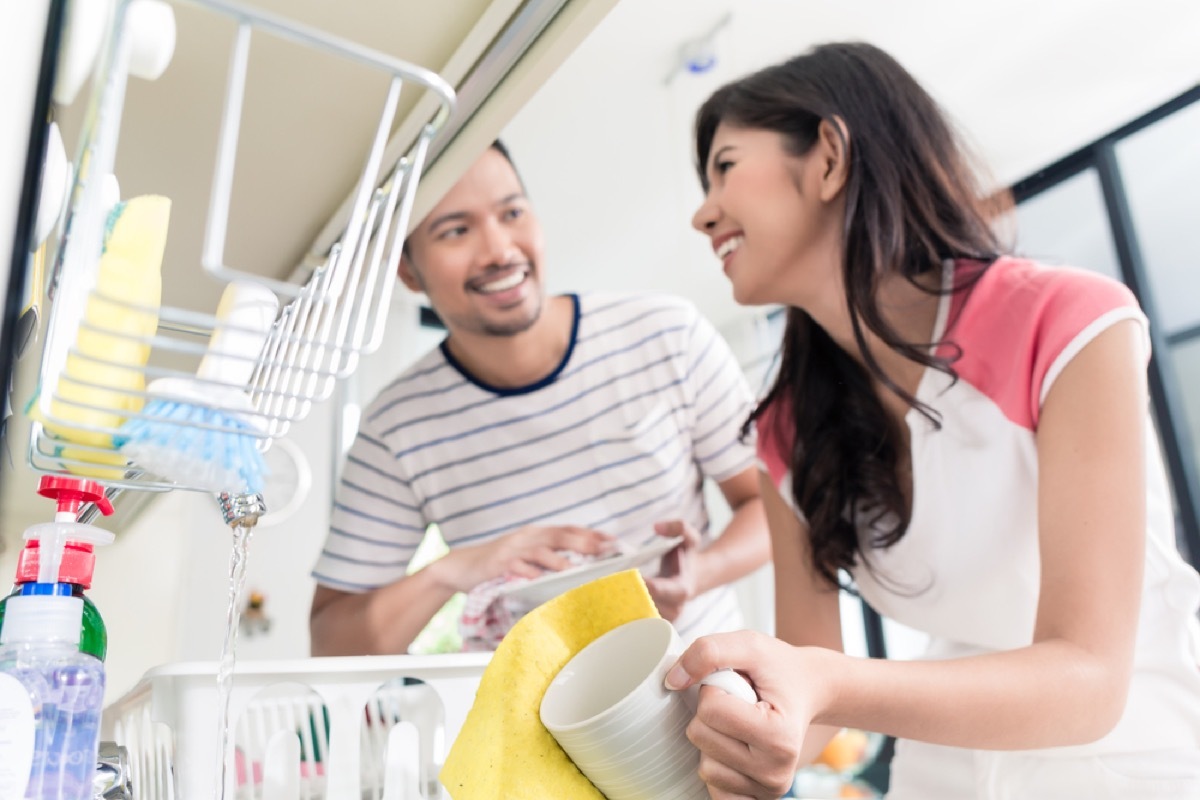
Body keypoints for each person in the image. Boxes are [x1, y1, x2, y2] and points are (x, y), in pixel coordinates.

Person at [664, 42, 1200, 799]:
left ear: (827, 156)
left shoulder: (1071, 322)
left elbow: (1090, 678)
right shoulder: (786, 429)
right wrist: (711, 714)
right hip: (947, 768)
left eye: (724, 167)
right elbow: (807, 712)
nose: (702, 211)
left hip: (1137, 754)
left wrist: (822, 681)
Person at [309, 141, 769, 656]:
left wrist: (699, 572)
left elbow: (773, 509)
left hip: (706, 689)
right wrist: (451, 571)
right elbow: (333, 643)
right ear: (408, 272)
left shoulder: (666, 334)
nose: (500, 250)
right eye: (456, 230)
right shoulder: (395, 426)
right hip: (536, 724)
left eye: (512, 213)